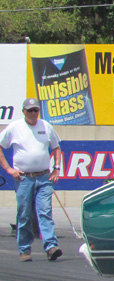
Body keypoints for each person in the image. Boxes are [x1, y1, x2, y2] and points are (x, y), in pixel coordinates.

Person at [0, 98, 63, 262]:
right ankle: (24, 249)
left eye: (36, 110)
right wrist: (9, 169)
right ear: (23, 111)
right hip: (24, 178)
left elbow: (56, 147)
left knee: (45, 212)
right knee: (24, 214)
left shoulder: (46, 126)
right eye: (30, 110)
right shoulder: (15, 127)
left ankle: (51, 247)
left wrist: (57, 168)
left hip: (43, 176)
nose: (33, 113)